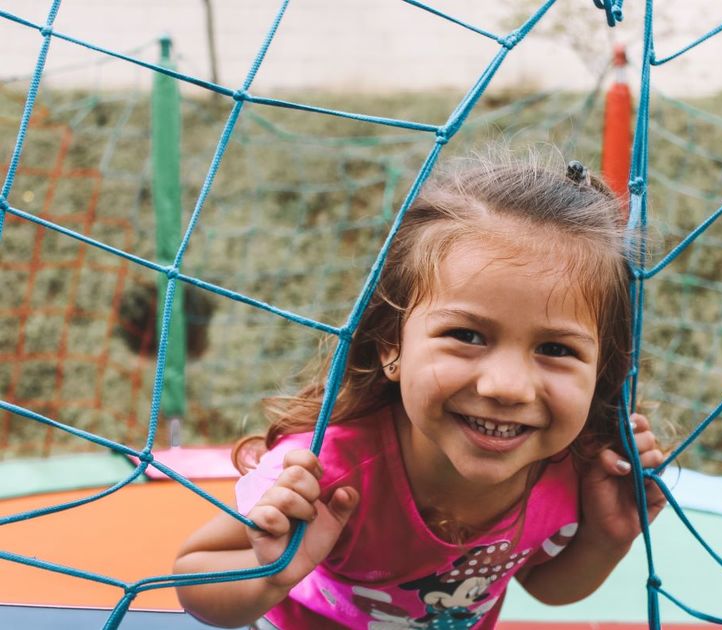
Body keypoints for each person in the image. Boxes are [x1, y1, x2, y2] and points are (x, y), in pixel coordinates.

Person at [173, 150, 667, 629]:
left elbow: (545, 587)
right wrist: (270, 575)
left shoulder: (573, 466)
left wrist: (607, 536)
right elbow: (194, 579)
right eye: (467, 336)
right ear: (392, 346)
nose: (507, 387)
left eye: (556, 349)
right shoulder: (326, 471)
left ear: (601, 371)